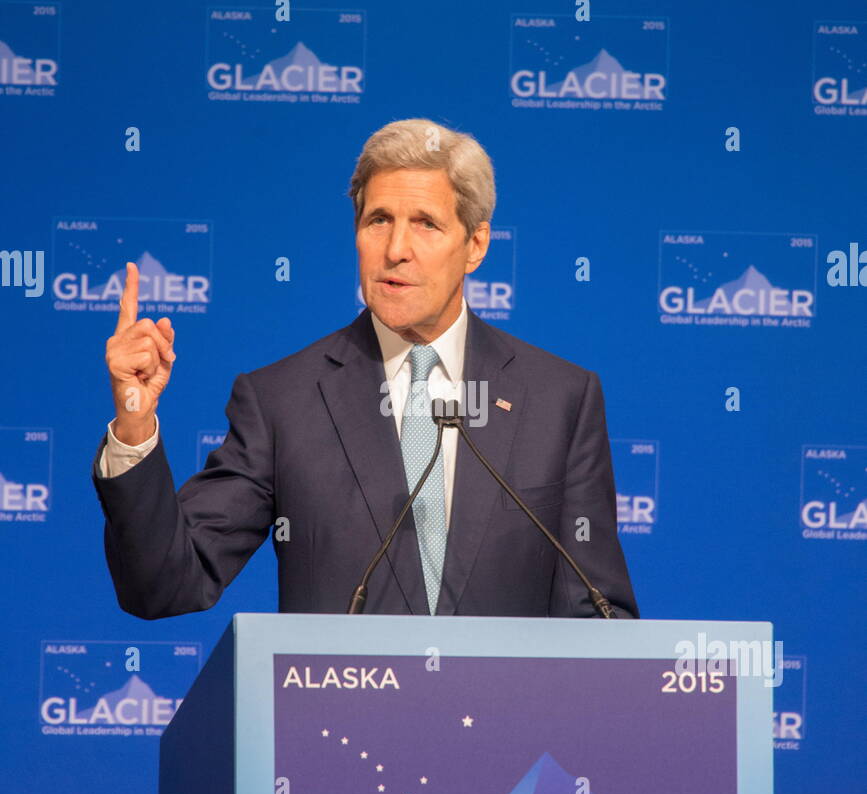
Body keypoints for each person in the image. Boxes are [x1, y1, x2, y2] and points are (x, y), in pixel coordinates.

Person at [92, 119, 638, 620]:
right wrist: (134, 423)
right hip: (338, 721)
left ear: (475, 245)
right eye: (379, 220)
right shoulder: (284, 401)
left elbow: (598, 613)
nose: (395, 249)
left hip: (507, 723)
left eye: (425, 224)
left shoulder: (558, 399)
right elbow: (164, 586)